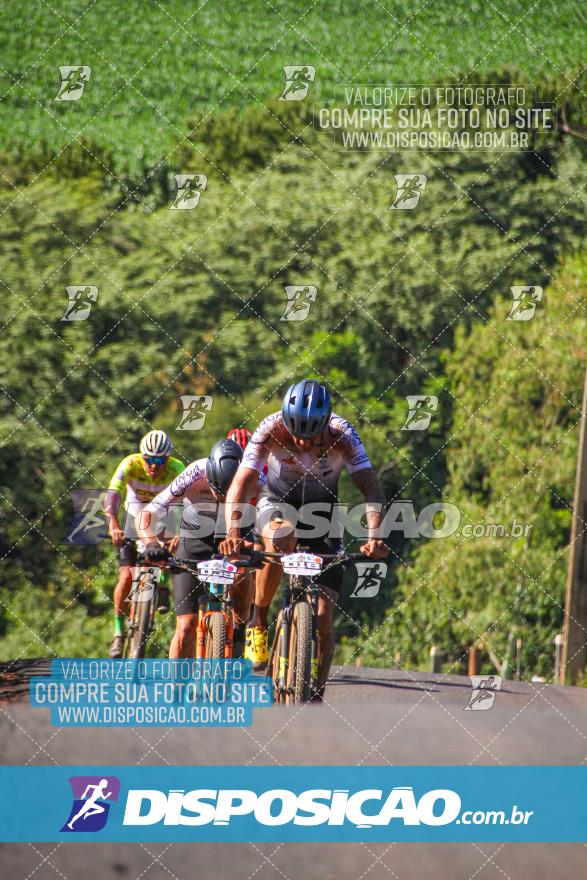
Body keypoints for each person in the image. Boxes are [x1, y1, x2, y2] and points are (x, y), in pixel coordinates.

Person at [219, 379, 389, 695]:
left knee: (324, 619)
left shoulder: (344, 435)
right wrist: (232, 534)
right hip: (277, 503)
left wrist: (375, 535)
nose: (302, 442)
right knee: (282, 537)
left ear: (326, 424)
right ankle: (260, 619)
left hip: (322, 514)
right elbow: (240, 485)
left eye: (311, 436)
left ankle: (315, 697)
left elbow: (371, 488)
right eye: (296, 433)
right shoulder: (270, 428)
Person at [137, 439, 262, 659]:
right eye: (218, 492)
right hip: (194, 539)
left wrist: (260, 545)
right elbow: (147, 514)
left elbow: (277, 513)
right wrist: (151, 544)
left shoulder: (255, 477)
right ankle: (175, 691)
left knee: (243, 574)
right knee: (186, 626)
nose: (224, 499)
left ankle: (240, 630)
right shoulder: (195, 472)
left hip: (237, 534)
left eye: (231, 494)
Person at [104, 430, 184, 658]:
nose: (154, 465)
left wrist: (182, 532)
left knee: (170, 543)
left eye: (160, 460)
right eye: (149, 459)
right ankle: (119, 633)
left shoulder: (177, 469)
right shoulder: (130, 464)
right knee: (126, 578)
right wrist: (113, 525)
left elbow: (190, 501)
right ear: (142, 456)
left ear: (168, 459)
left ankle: (163, 582)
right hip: (133, 517)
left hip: (162, 517)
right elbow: (112, 496)